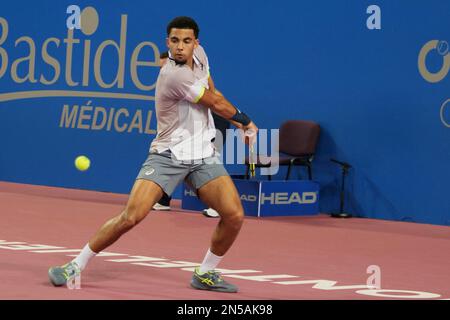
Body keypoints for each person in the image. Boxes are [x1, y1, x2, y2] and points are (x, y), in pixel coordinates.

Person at [48, 16, 258, 293]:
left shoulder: (201, 56)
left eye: (186, 41)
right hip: (168, 155)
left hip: (202, 155)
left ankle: (205, 273)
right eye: (174, 41)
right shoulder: (174, 75)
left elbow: (212, 90)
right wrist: (245, 121)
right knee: (131, 216)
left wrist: (233, 120)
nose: (180, 47)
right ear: (167, 42)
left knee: (234, 215)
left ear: (196, 43)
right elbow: (215, 101)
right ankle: (75, 264)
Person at [153, 48, 230, 218]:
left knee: (209, 161)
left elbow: (213, 96)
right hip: (194, 122)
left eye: (164, 66)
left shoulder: (191, 78)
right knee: (174, 156)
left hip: (215, 119)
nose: (163, 71)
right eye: (160, 68)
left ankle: (218, 205)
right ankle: (164, 200)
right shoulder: (171, 82)